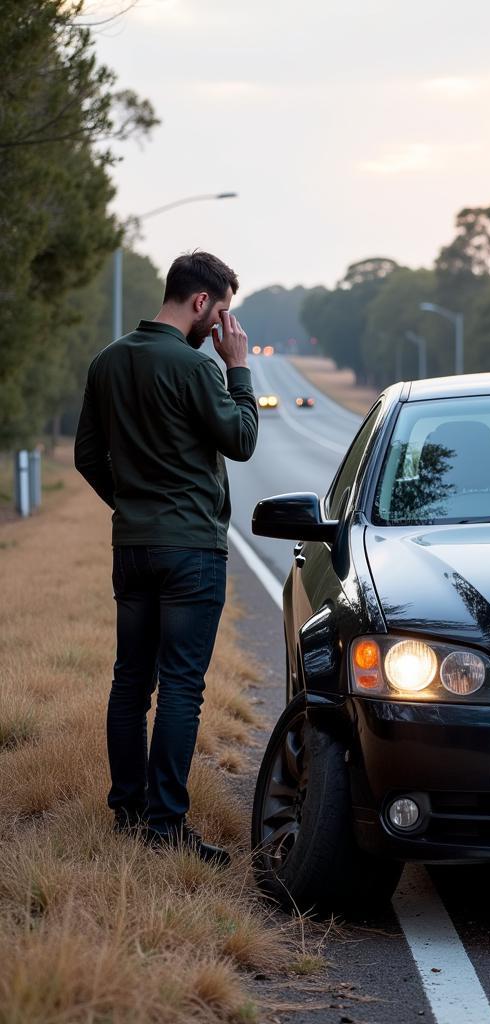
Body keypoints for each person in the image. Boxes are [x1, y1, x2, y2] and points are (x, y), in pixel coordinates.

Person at [75, 250, 258, 865]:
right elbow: (242, 441)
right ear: (201, 301)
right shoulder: (197, 368)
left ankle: (126, 812)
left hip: (133, 547)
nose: (224, 328)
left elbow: (86, 457)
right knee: (181, 686)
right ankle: (165, 825)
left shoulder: (107, 362)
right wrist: (239, 369)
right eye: (223, 312)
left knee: (131, 682)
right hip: (191, 553)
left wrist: (131, 504)